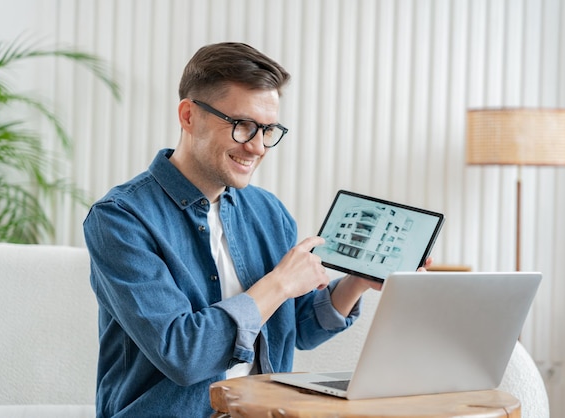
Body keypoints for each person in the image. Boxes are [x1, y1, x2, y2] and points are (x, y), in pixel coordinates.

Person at [83, 42, 429, 418]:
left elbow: (299, 329)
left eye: (268, 129)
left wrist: (357, 281)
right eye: (243, 126)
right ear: (188, 116)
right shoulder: (120, 219)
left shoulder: (268, 212)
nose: (258, 147)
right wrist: (279, 283)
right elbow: (183, 355)